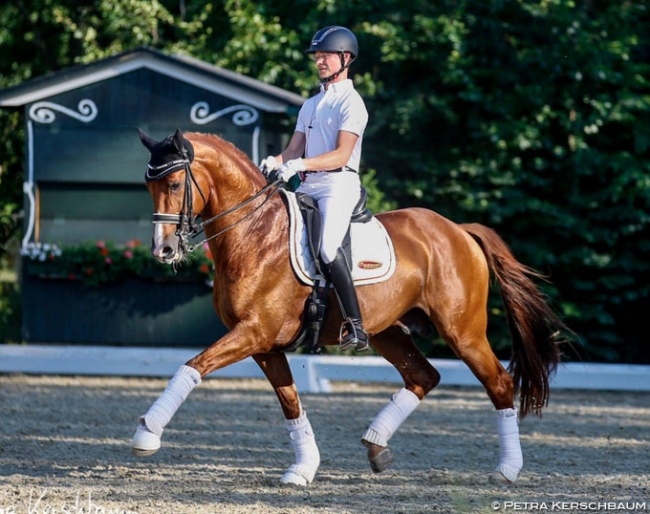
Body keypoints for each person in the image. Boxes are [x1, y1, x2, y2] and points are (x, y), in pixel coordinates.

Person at [261, 25, 370, 352]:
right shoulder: (311, 104)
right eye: (317, 56)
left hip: (339, 183)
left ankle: (356, 325)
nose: (320, 62)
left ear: (345, 58)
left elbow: (341, 153)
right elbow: (294, 149)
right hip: (309, 184)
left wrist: (300, 165)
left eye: (326, 56)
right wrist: (274, 160)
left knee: (325, 248)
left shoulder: (353, 103)